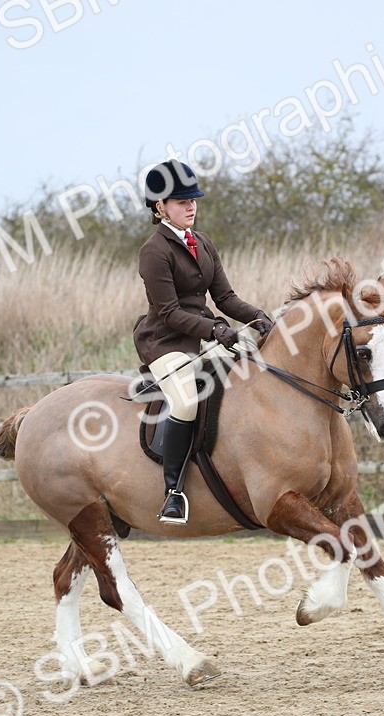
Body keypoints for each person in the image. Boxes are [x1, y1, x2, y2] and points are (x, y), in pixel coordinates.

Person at [133, 159, 273, 524]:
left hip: (206, 336)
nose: (191, 206)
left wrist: (261, 318)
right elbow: (169, 312)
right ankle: (173, 493)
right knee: (185, 403)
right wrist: (215, 331)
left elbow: (225, 299)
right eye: (181, 201)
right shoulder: (154, 251)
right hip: (165, 341)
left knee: (255, 375)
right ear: (160, 207)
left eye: (193, 199)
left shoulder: (203, 243)